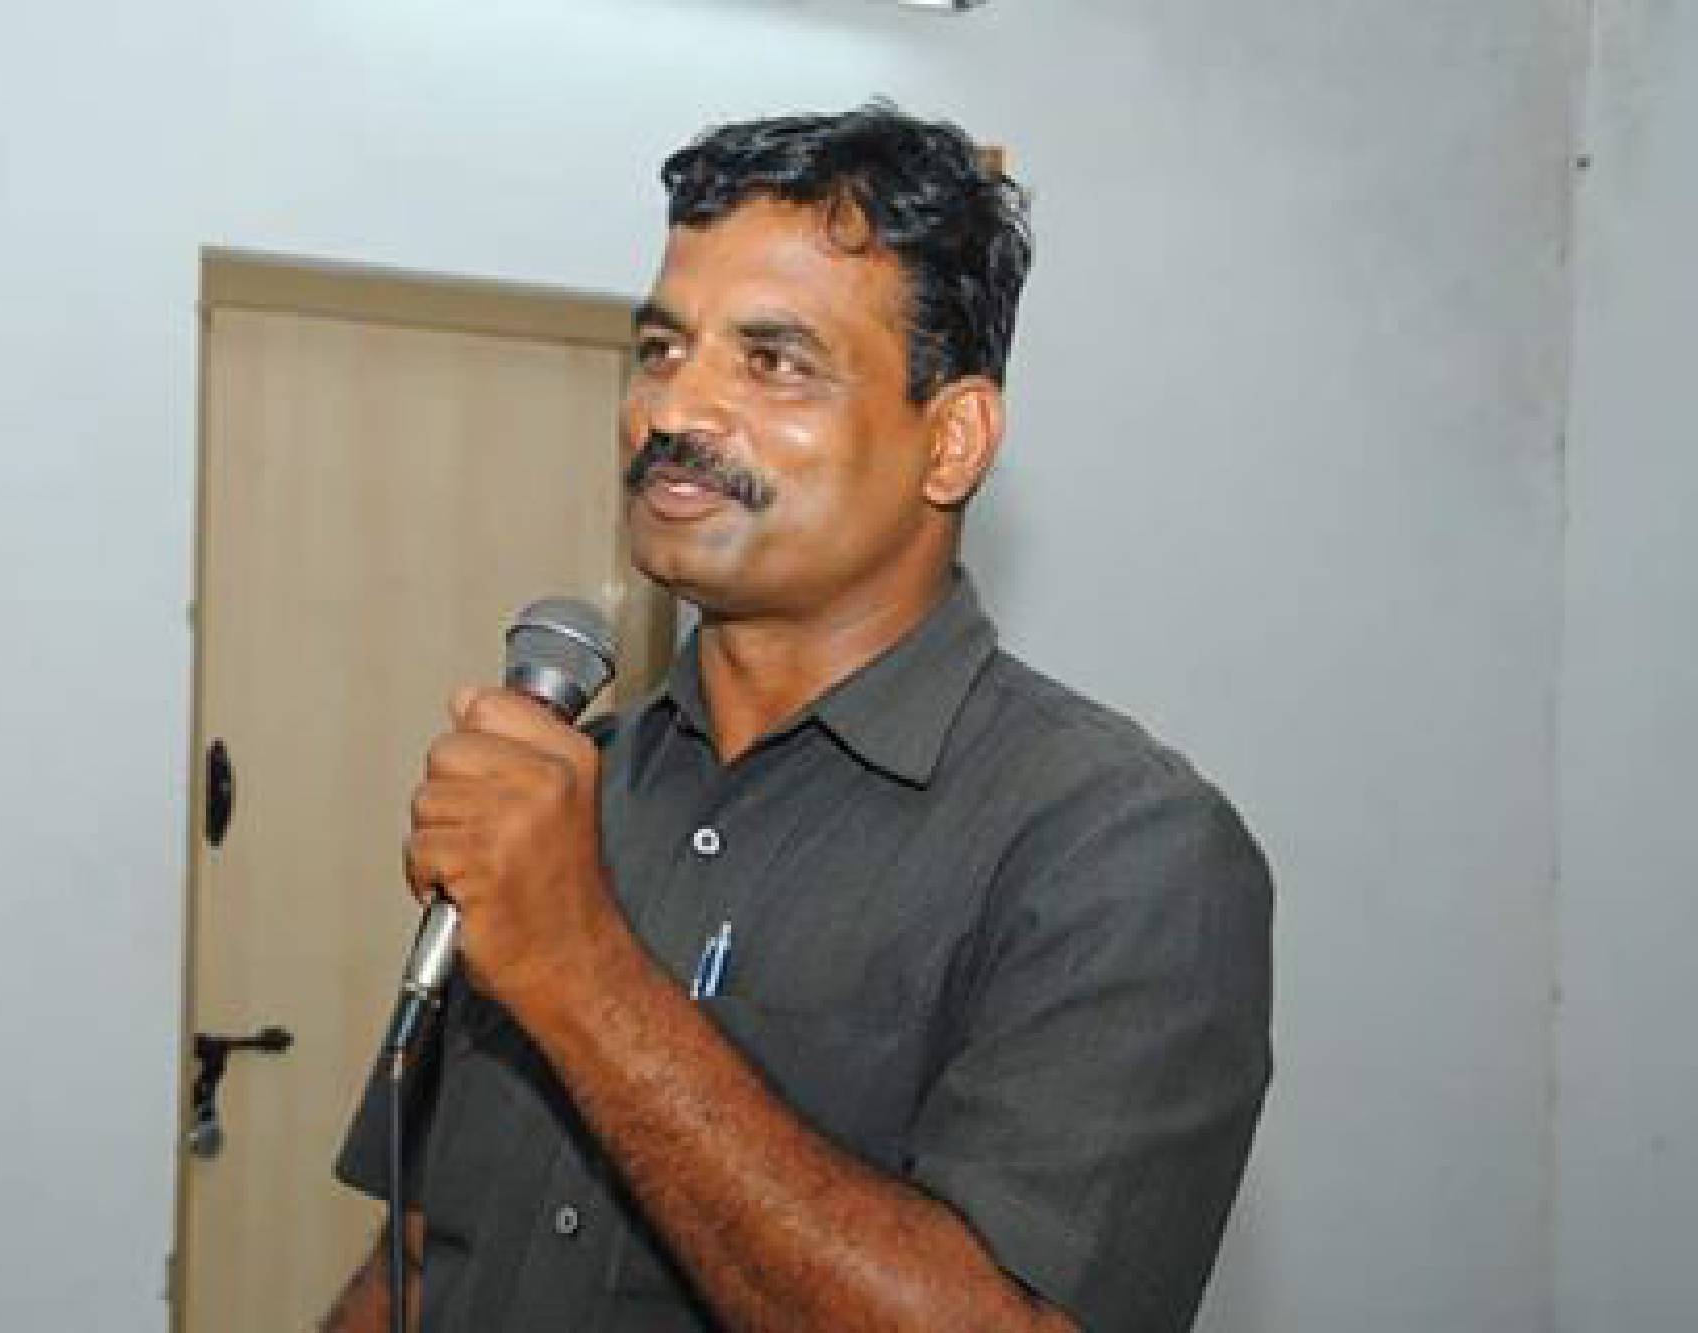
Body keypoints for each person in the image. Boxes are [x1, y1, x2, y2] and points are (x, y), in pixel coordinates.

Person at [322, 105, 1272, 1333]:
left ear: (951, 442)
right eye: (661, 348)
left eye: (773, 362)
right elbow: (416, 1253)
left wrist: (579, 969)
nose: (674, 410)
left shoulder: (1119, 852)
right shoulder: (566, 793)